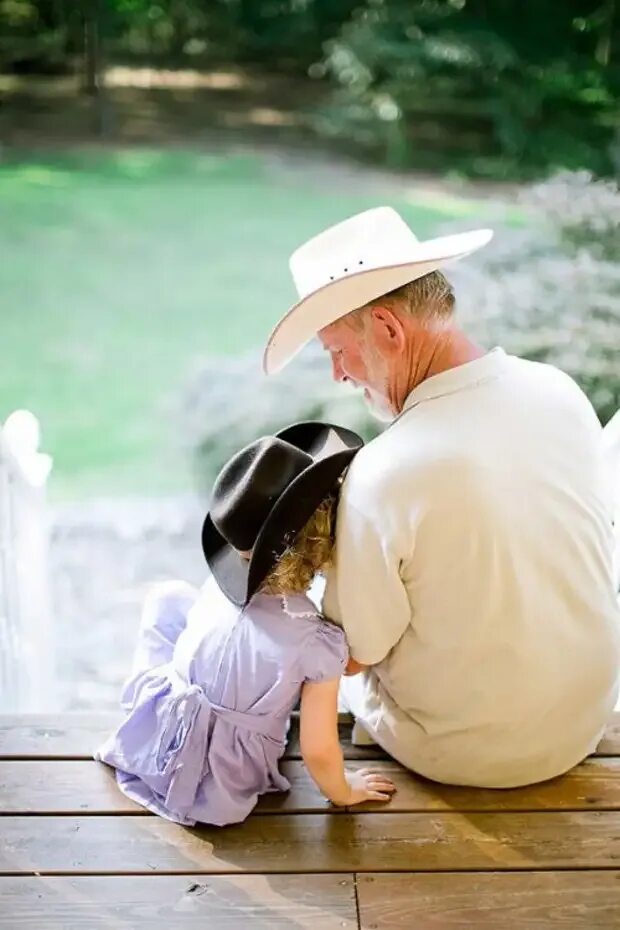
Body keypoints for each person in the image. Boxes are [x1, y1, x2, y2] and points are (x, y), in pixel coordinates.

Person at [262, 206, 620, 789]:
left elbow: (355, 652)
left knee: (328, 662)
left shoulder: (385, 471)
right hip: (582, 724)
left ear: (388, 329)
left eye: (335, 350)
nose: (338, 374)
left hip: (465, 754)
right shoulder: (559, 390)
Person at [95, 421, 396, 826]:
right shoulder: (316, 641)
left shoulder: (219, 590)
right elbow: (319, 749)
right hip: (226, 775)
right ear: (321, 535)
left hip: (162, 738)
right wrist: (345, 790)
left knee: (169, 598)